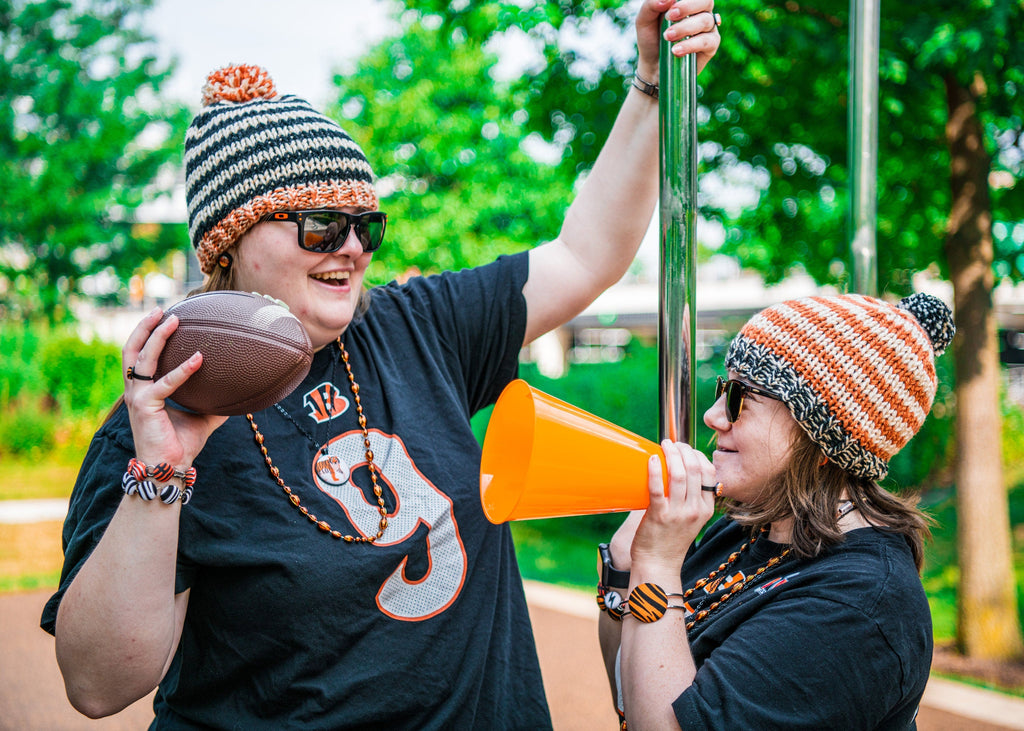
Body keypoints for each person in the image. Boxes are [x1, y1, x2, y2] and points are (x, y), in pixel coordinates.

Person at [40, 1, 720, 727]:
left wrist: (650, 82)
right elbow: (96, 684)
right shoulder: (158, 420)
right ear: (229, 243)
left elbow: (585, 255)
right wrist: (165, 475)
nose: (353, 248)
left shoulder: (416, 324)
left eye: (366, 225)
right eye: (321, 224)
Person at [597, 292, 955, 730]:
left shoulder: (860, 604)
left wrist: (656, 566)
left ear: (820, 434)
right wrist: (625, 567)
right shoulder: (748, 524)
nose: (713, 416)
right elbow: (630, 695)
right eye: (722, 390)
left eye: (739, 397)